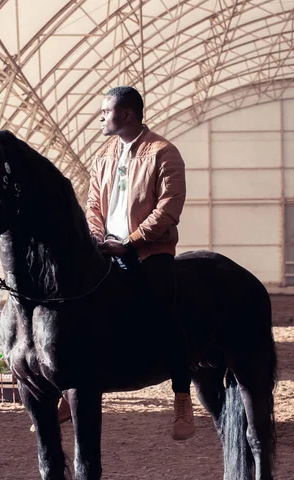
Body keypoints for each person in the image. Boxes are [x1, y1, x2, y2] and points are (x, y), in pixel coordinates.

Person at [85, 85, 194, 441]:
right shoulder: (102, 156)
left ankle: (181, 396)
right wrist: (99, 239)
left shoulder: (163, 152)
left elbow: (169, 206)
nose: (101, 117)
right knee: (80, 313)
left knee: (167, 316)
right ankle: (75, 390)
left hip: (149, 252)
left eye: (106, 111)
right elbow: (93, 206)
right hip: (106, 249)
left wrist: (130, 243)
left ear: (127, 114)